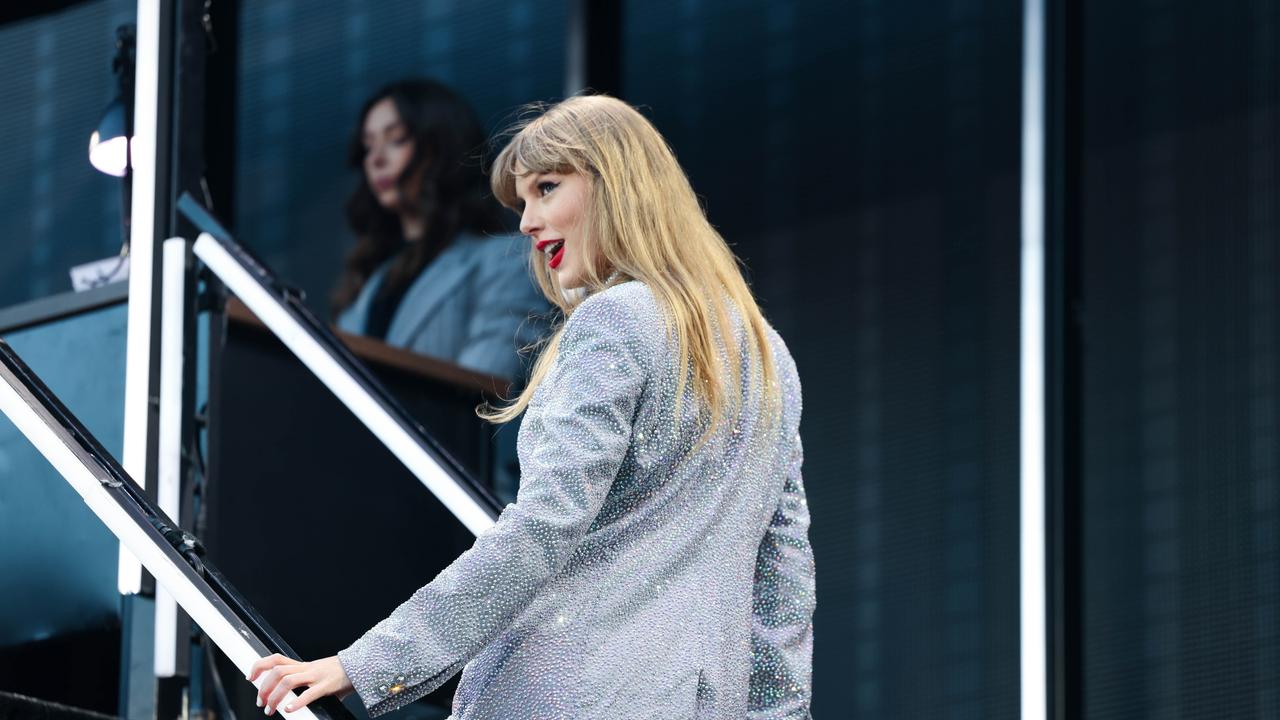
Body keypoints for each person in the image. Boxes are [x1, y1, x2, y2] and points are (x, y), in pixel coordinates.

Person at [249, 95, 814, 719]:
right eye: (523, 201)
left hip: (576, 691)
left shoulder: (616, 320)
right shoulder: (768, 355)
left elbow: (544, 527)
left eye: (547, 188)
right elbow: (783, 578)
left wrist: (367, 662)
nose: (526, 222)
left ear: (618, 185)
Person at [332, 78, 547, 382]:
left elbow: (482, 386)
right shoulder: (370, 279)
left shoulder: (507, 259)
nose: (376, 159)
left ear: (440, 147)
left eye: (396, 139)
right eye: (368, 147)